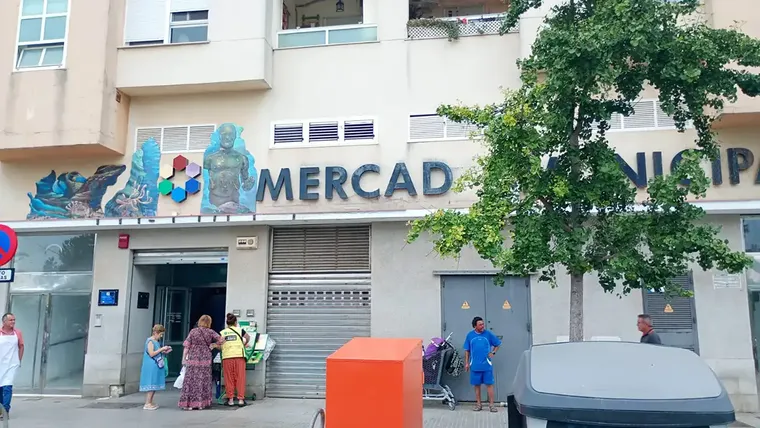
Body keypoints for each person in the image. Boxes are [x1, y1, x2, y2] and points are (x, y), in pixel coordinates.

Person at [179, 315, 224, 410]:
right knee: (203, 380)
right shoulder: (210, 332)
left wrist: (184, 358)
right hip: (205, 359)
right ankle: (201, 403)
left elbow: (186, 346)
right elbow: (222, 340)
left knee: (191, 380)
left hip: (193, 358)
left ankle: (189, 404)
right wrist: (214, 345)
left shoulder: (193, 331)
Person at [464, 316, 501, 413]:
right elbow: (467, 350)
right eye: (480, 325)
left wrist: (493, 352)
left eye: (483, 324)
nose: (482, 326)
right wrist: (467, 363)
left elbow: (497, 344)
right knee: (477, 385)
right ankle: (478, 404)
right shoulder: (470, 336)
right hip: (475, 365)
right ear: (475, 326)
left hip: (486, 365)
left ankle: (492, 405)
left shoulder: (488, 334)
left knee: (489, 385)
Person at [220, 313, 251, 406]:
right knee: (240, 377)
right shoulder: (240, 330)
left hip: (227, 357)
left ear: (227, 323)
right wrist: (244, 343)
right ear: (236, 322)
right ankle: (241, 400)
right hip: (239, 356)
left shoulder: (223, 332)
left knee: (229, 378)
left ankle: (230, 400)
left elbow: (219, 344)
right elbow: (248, 337)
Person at [139, 324, 171, 410]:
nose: (161, 336)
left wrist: (164, 351)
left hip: (156, 364)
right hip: (151, 364)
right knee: (151, 383)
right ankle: (147, 403)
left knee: (154, 383)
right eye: (161, 334)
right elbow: (151, 353)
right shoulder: (150, 341)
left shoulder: (156, 341)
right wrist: (162, 349)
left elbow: (156, 352)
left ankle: (150, 401)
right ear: (156, 333)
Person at [0, 313, 22, 418]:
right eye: (11, 320)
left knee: (7, 387)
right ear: (4, 322)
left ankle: (5, 410)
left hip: (12, 364)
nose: (13, 322)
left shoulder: (17, 333)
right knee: (0, 388)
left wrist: (19, 360)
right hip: (1, 364)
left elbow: (21, 346)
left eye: (14, 320)